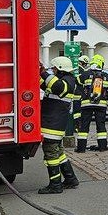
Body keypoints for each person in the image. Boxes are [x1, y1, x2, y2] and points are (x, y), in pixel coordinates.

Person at [38, 56, 80, 194]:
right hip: (53, 123)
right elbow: (45, 85)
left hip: (53, 125)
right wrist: (36, 73)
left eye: (54, 68)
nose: (53, 70)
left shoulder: (67, 81)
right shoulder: (63, 80)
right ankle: (70, 179)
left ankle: (55, 185)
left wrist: (43, 71)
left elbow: (56, 86)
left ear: (60, 69)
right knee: (59, 153)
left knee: (51, 155)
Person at [76, 53, 108, 152]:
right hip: (101, 105)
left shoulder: (85, 74)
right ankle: (103, 147)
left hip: (86, 104)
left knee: (84, 125)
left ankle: (81, 148)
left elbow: (78, 81)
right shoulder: (106, 76)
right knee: (101, 125)